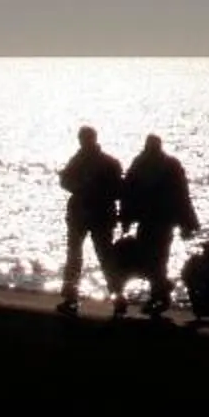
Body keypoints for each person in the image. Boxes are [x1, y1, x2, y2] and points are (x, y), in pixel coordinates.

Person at [119, 132, 201, 314]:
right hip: (162, 221)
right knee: (157, 259)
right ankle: (160, 292)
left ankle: (160, 293)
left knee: (153, 259)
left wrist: (126, 219)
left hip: (152, 221)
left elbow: (128, 193)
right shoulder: (169, 165)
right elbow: (182, 196)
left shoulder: (141, 164)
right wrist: (188, 223)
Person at [56, 125, 124, 314]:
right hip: (97, 216)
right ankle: (117, 298)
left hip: (86, 215)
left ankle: (72, 298)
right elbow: (120, 190)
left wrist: (84, 188)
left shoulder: (81, 160)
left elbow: (66, 182)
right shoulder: (108, 162)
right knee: (103, 258)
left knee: (78, 257)